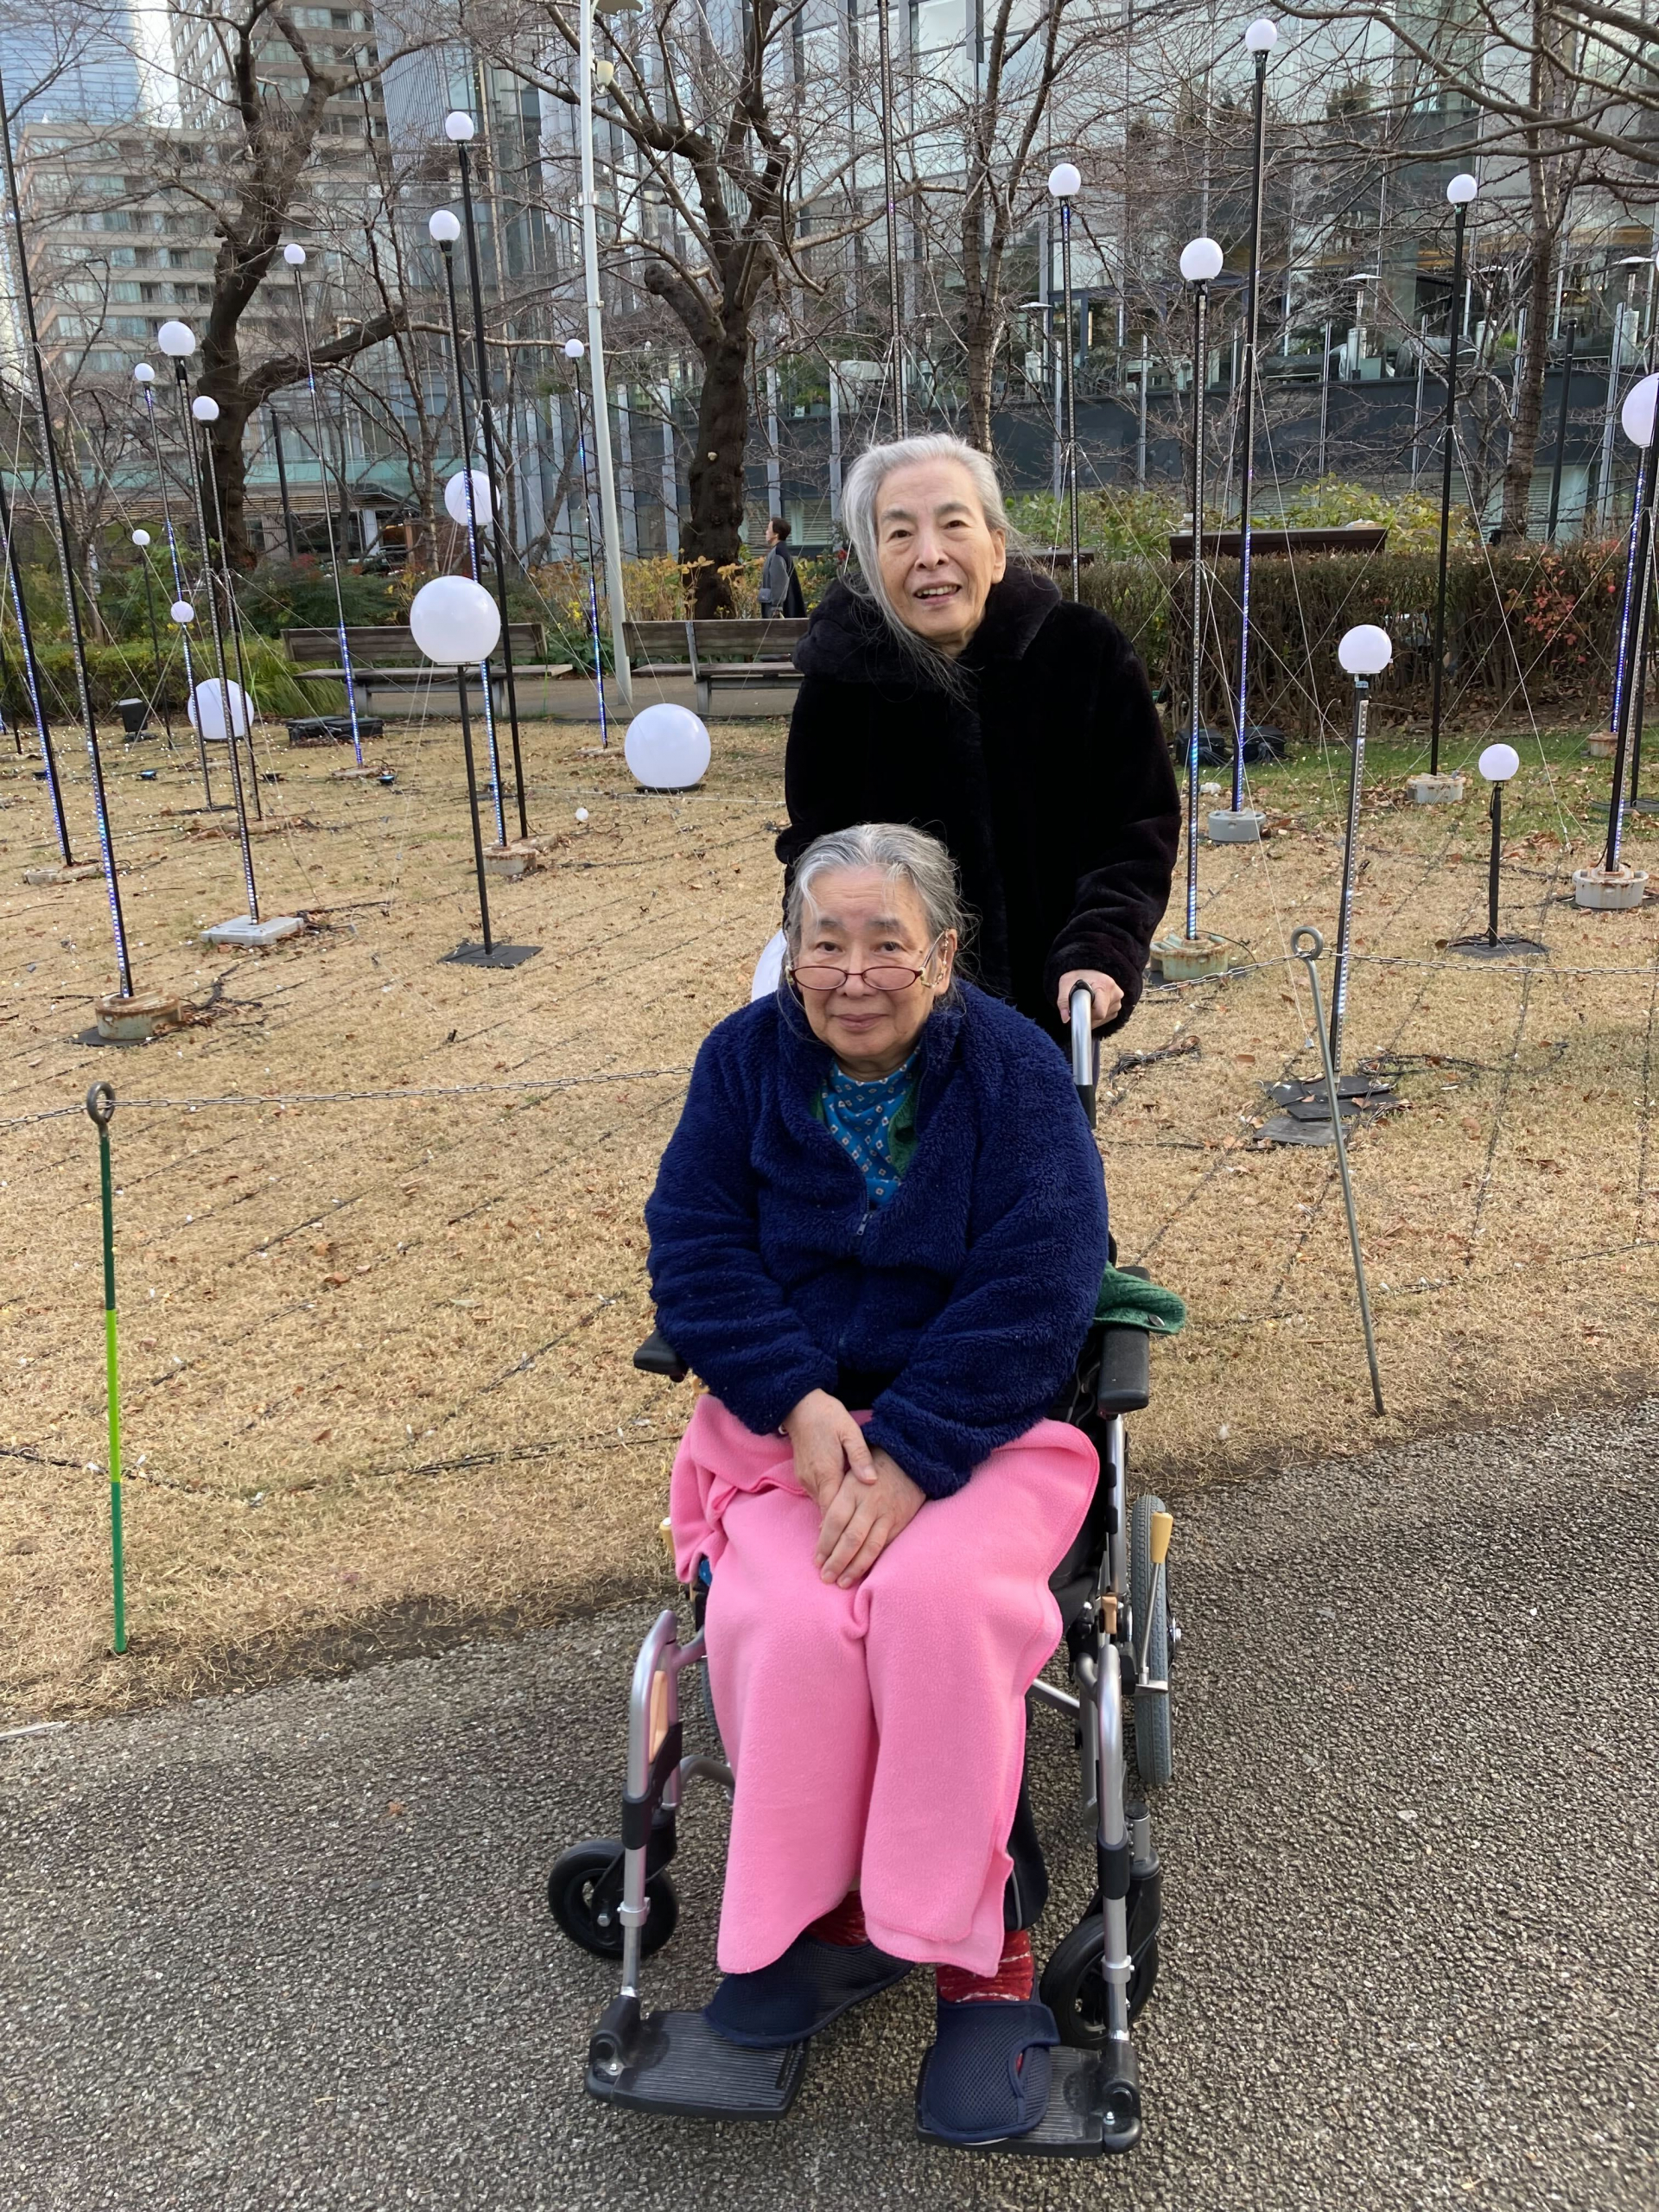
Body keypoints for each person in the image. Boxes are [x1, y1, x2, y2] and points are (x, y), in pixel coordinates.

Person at [645, 821, 1111, 2145]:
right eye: (825, 944)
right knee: (781, 1618)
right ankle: (826, 1921)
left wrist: (913, 1451)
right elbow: (696, 1250)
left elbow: (1043, 1280)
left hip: (980, 1432)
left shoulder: (1014, 1074)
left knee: (936, 1606)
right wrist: (795, 1398)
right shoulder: (741, 1063)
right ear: (790, 955)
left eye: (887, 944)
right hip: (787, 1435)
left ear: (944, 956)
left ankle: (980, 1955)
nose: (854, 974)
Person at [778, 434, 1179, 1046]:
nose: (929, 555)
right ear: (873, 563)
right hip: (889, 1018)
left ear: (996, 550)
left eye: (953, 525)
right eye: (900, 533)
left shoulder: (1082, 652)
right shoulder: (841, 678)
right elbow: (816, 847)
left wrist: (1101, 948)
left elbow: (1136, 830)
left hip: (1047, 1010)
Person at [758, 515, 807, 619]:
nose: (766, 532)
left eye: (768, 529)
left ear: (776, 534)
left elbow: (779, 582)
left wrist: (776, 607)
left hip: (776, 611)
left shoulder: (778, 553)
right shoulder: (780, 550)